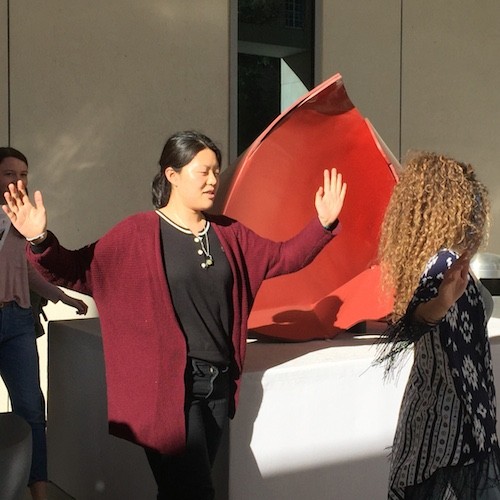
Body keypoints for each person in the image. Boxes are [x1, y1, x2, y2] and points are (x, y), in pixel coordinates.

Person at [2, 130, 347, 499]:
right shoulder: (137, 233)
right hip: (168, 389)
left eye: (216, 171)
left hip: (217, 386)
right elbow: (76, 269)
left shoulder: (228, 233)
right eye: (203, 171)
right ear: (172, 175)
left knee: (177, 490)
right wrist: (40, 239)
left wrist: (321, 224)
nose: (214, 180)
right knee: (196, 491)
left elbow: (283, 257)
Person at [375, 151, 500, 499]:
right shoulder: (436, 264)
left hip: (461, 421)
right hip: (442, 424)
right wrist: (440, 305)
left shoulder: (454, 260)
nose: (475, 213)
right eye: (467, 202)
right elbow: (412, 323)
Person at [0, 147, 88, 500]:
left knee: (31, 411)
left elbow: (27, 271)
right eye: (9, 173)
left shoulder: (25, 219)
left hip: (17, 321)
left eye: (23, 174)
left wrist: (60, 294)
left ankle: (39, 492)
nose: (18, 180)